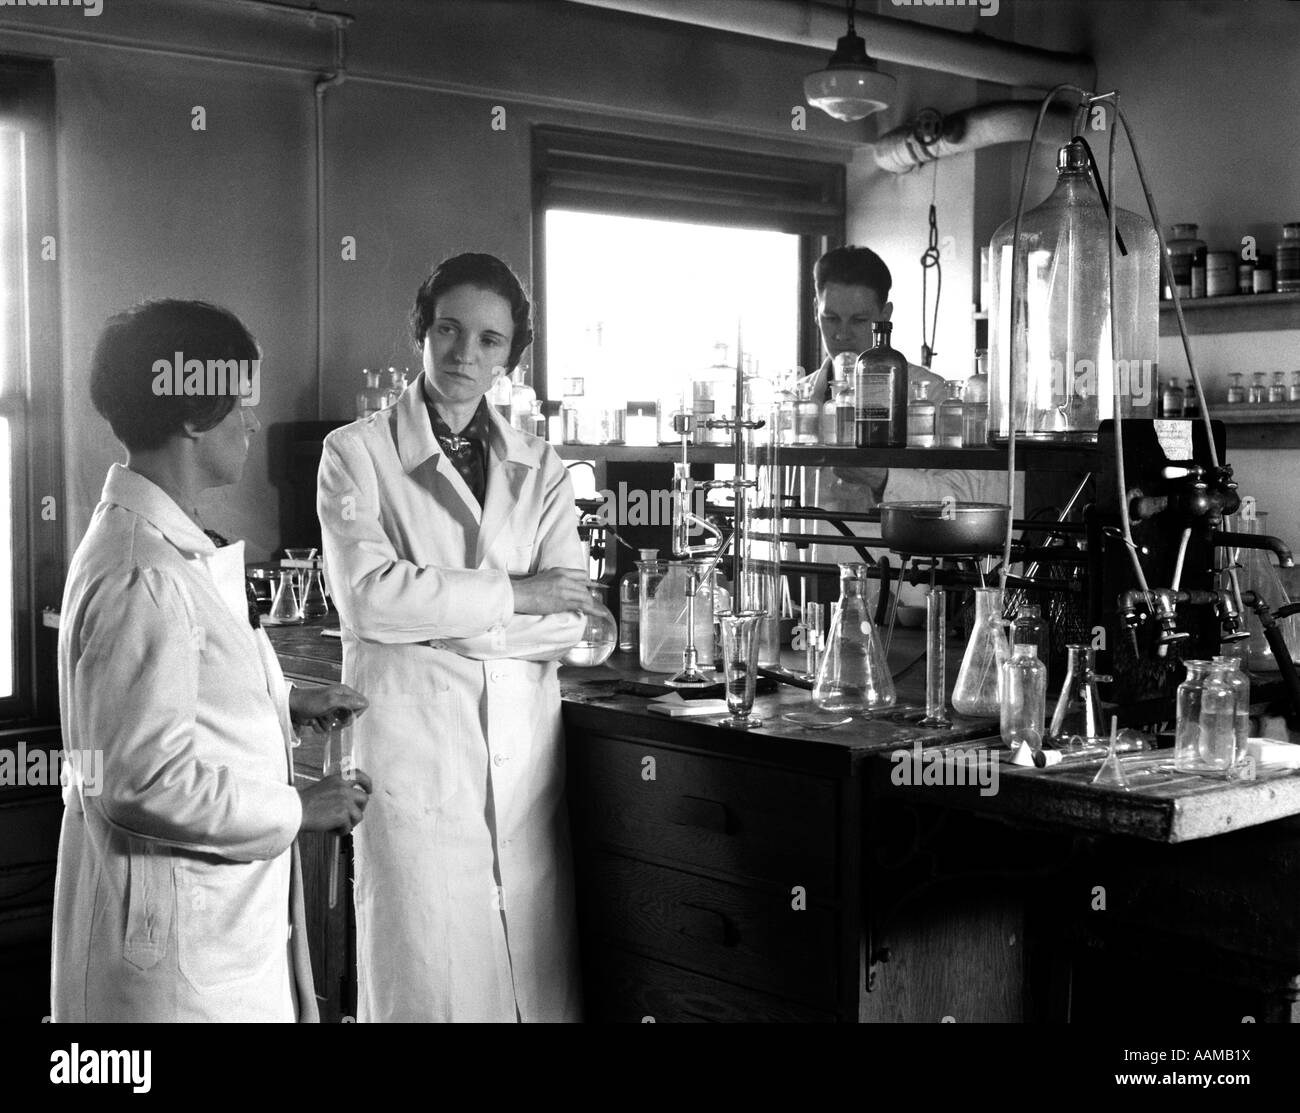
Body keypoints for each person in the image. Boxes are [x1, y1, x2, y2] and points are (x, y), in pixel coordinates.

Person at [53, 299, 372, 1022]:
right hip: (175, 960)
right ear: (194, 416)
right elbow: (141, 779)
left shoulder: (160, 544)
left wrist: (285, 702)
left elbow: (171, 692)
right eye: (242, 404)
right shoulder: (145, 571)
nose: (253, 423)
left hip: (212, 933)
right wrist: (296, 808)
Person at [318, 252, 599, 1022]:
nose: (464, 355)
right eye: (447, 329)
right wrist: (515, 594)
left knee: (527, 995)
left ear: (513, 352)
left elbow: (570, 617)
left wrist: (441, 626)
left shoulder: (540, 466)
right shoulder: (356, 453)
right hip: (418, 765)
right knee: (427, 989)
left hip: (523, 777)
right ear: (420, 329)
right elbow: (372, 601)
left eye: (490, 340)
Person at [803, 246, 1010, 591]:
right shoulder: (799, 401)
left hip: (899, 586)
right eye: (831, 318)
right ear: (815, 311)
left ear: (885, 315)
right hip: (808, 579)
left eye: (859, 320)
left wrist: (884, 479)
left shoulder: (935, 396)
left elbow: (962, 500)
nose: (841, 335)